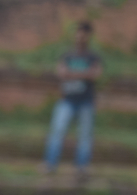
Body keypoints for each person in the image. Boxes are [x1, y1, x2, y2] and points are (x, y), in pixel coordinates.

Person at [43, 21, 102, 180]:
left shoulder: (93, 56)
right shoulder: (67, 55)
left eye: (84, 33)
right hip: (67, 100)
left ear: (88, 36)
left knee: (84, 137)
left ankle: (81, 168)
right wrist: (84, 73)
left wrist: (72, 73)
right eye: (78, 32)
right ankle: (50, 164)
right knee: (57, 132)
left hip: (86, 102)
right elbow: (62, 73)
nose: (80, 36)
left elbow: (95, 75)